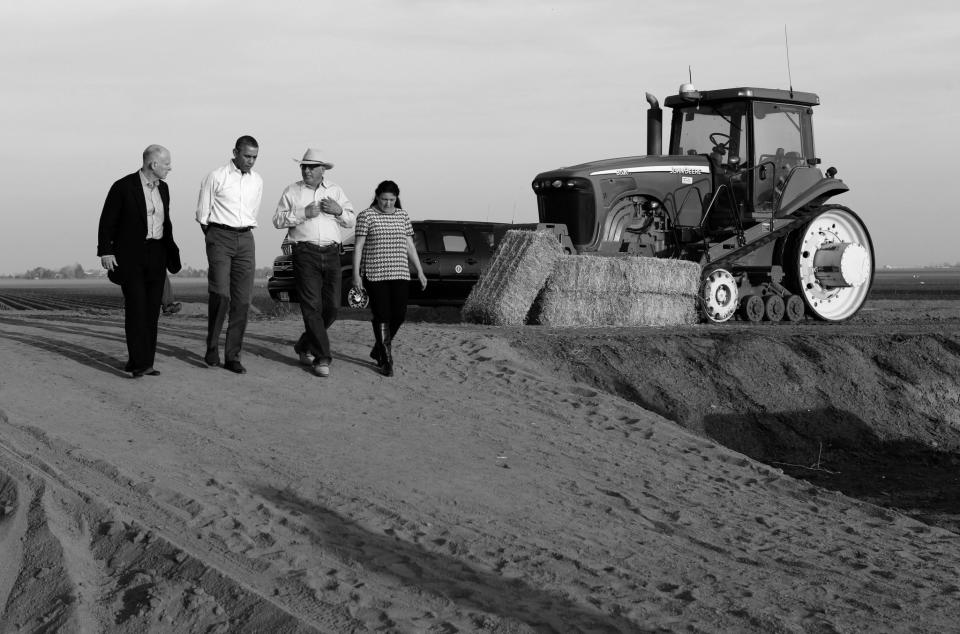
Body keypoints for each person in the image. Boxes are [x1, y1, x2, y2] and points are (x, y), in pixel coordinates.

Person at [97, 144, 181, 378]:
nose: (170, 168)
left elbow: (166, 223)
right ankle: (137, 363)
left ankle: (146, 362)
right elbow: (107, 221)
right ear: (153, 164)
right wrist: (106, 251)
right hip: (130, 256)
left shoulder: (163, 188)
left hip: (157, 254)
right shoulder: (123, 186)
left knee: (152, 311)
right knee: (136, 309)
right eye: (167, 164)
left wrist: (170, 252)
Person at [273, 149, 355, 377]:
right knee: (311, 307)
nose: (306, 170)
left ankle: (302, 345)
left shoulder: (336, 191)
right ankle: (322, 357)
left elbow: (350, 219)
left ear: (323, 169)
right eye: (304, 166)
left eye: (311, 166)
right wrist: (302, 213)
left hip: (332, 253)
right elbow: (277, 220)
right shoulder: (292, 191)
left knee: (331, 309)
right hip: (304, 253)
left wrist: (339, 211)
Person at [196, 135, 263, 374]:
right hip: (219, 236)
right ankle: (212, 345)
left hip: (246, 238)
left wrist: (240, 232)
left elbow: (253, 210)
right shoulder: (216, 176)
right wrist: (215, 238)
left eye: (254, 157)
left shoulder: (257, 181)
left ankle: (233, 355)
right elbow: (203, 214)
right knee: (221, 294)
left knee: (243, 300)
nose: (250, 161)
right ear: (235, 152)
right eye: (247, 156)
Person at [352, 180, 426, 377]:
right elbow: (358, 246)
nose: (388, 203)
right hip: (375, 273)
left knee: (399, 315)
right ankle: (386, 359)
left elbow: (410, 245)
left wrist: (419, 270)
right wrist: (356, 274)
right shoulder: (366, 216)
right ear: (377, 197)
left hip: (400, 272)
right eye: (384, 199)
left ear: (397, 199)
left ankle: (378, 348)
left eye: (392, 200)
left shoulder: (402, 216)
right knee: (382, 315)